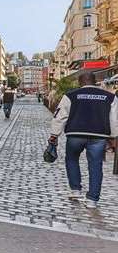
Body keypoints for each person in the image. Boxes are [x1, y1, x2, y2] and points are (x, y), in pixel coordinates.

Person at [49, 71, 118, 209]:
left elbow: (60, 116)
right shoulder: (110, 97)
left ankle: (75, 189)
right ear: (95, 81)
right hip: (98, 136)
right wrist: (113, 137)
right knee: (95, 165)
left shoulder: (70, 96)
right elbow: (114, 119)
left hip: (75, 134)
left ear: (80, 82)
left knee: (72, 159)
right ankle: (92, 199)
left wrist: (54, 135)